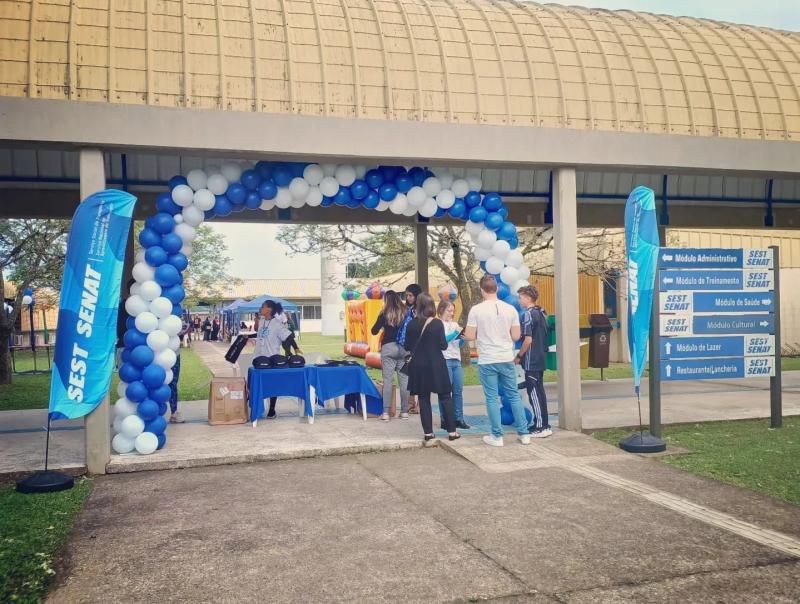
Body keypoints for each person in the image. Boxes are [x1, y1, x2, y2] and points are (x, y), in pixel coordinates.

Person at [464, 274, 531, 447]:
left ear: (481, 289)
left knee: (492, 398)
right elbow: (516, 335)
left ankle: (497, 436)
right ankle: (524, 434)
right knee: (514, 395)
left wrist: (482, 334)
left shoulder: (476, 310)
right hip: (506, 358)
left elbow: (470, 335)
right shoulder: (510, 309)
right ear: (496, 289)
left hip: (487, 359)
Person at [404, 293, 460, 442]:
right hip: (436, 364)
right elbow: (443, 345)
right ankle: (452, 432)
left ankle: (428, 433)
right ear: (431, 306)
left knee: (423, 398)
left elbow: (407, 346)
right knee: (445, 396)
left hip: (418, 365)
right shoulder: (436, 323)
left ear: (418, 306)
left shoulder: (411, 324)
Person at [516, 285, 552, 437]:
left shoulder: (528, 314)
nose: (519, 300)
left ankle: (540, 427)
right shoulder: (542, 313)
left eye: (520, 297)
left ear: (527, 297)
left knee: (534, 393)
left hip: (532, 359)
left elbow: (528, 340)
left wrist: (519, 356)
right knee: (540, 392)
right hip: (540, 358)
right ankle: (544, 424)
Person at [371, 290, 410, 420]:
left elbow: (374, 331)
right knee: (404, 381)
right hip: (404, 348)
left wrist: (381, 320)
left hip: (388, 348)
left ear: (386, 301)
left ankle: (386, 413)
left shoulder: (384, 314)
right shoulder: (406, 313)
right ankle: (404, 412)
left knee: (388, 381)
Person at [253, 300, 290, 419]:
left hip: (272, 358)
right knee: (259, 384)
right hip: (259, 357)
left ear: (269, 309)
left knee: (272, 385)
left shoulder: (277, 323)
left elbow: (288, 337)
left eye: (262, 307)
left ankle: (272, 409)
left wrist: (291, 350)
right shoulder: (262, 320)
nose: (260, 308)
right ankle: (257, 408)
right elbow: (257, 331)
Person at [437, 300, 470, 430]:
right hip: (444, 359)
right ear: (441, 310)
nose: (451, 313)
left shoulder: (455, 324)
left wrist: (462, 338)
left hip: (456, 359)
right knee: (445, 392)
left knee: (458, 391)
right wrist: (456, 333)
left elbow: (458, 344)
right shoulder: (438, 324)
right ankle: (444, 419)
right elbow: (444, 341)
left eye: (452, 311)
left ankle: (459, 418)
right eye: (449, 310)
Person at [397, 283, 422, 413]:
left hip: (414, 346)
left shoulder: (417, 310)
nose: (408, 297)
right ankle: (412, 404)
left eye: (410, 295)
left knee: (415, 376)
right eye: (407, 295)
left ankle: (417, 405)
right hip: (406, 345)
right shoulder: (409, 308)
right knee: (409, 375)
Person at [168, 353, 184, 423]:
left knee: (173, 383)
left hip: (174, 354)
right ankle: (174, 413)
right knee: (172, 383)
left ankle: (174, 413)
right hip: (166, 353)